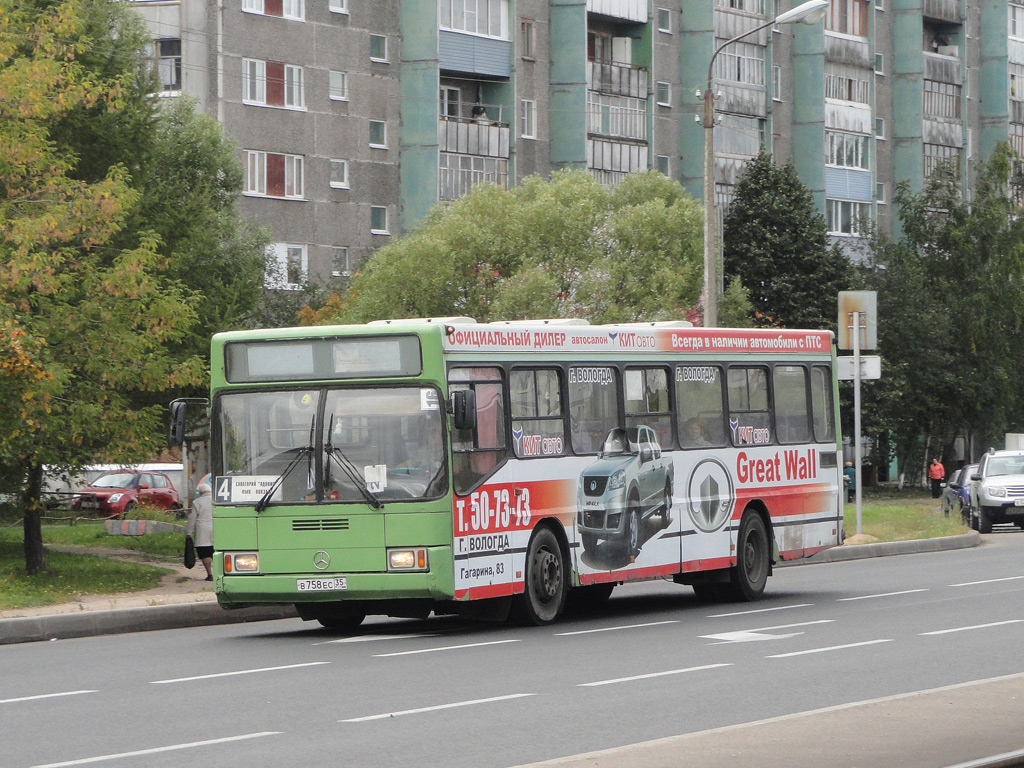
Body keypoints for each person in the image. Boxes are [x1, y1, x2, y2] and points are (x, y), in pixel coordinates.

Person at [186, 482, 214, 581]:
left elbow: (192, 518)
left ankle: (210, 574)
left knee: (205, 552)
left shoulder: (197, 502)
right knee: (216, 550)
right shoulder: (216, 500)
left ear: (201, 492)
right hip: (217, 527)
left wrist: (188, 533)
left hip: (202, 530)